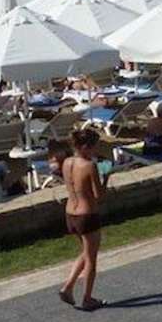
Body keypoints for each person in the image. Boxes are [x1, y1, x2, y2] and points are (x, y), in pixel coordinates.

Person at [59, 127, 106, 310]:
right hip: (87, 215)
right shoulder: (89, 166)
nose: (96, 150)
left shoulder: (67, 162)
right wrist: (106, 176)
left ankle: (68, 287)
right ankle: (87, 298)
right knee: (91, 259)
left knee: (86, 252)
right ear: (86, 147)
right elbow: (99, 195)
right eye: (94, 146)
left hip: (71, 213)